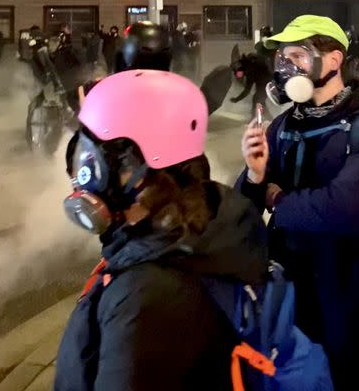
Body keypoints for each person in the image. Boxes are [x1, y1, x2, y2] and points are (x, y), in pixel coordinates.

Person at [56, 70, 268, 391]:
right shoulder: (200, 224)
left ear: (137, 170)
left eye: (92, 157)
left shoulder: (149, 297)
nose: (81, 175)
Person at [237, 14, 359, 391]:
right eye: (282, 59)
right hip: (292, 294)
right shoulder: (285, 125)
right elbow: (241, 212)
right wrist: (255, 178)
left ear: (334, 60)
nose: (286, 67)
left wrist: (277, 197)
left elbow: (342, 209)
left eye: (297, 55)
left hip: (356, 298)